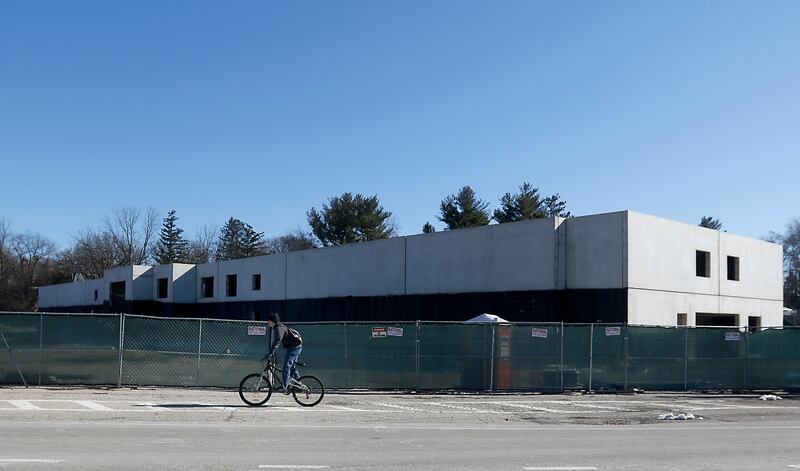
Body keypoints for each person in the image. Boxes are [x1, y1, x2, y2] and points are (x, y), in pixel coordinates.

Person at [263, 313, 302, 394]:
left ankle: (284, 387)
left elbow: (277, 340)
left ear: (272, 321)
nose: (268, 322)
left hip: (295, 347)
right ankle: (299, 386)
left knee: (286, 366)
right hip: (294, 346)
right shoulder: (278, 327)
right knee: (292, 367)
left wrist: (271, 353)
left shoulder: (279, 328)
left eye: (269, 321)